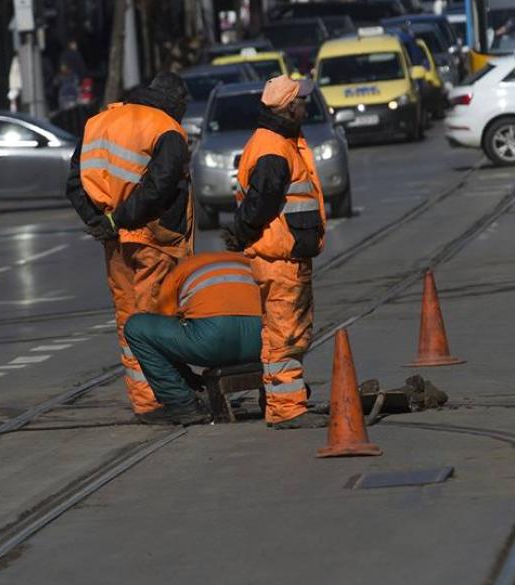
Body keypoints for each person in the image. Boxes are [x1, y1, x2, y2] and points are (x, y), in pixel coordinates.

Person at [64, 72, 194, 419]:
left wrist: (101, 222)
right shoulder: (167, 129)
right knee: (157, 319)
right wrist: (122, 219)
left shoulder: (99, 121)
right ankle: (166, 397)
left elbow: (75, 181)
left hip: (115, 243)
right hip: (154, 239)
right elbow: (161, 185)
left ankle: (146, 400)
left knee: (128, 320)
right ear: (178, 103)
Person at [228, 75, 328, 429]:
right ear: (289, 107)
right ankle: (287, 408)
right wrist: (240, 233)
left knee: (279, 333)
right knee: (286, 334)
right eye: (301, 100)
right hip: (279, 259)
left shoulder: (279, 141)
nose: (306, 104)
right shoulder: (273, 148)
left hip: (282, 256)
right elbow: (261, 202)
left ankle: (280, 402)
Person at [123, 251, 263, 425]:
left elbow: (167, 323)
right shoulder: (251, 263)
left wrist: (187, 378)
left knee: (137, 327)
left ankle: (182, 405)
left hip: (212, 342)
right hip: (261, 341)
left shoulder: (180, 270)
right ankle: (274, 395)